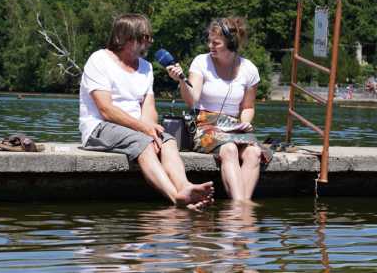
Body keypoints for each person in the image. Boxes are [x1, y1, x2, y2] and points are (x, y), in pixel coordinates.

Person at [79, 13, 214, 210]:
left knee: (167, 140)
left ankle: (185, 186)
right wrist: (143, 130)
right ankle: (176, 196)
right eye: (144, 38)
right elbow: (106, 109)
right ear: (124, 38)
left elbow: (148, 108)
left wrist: (150, 128)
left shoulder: (146, 68)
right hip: (99, 127)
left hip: (135, 129)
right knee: (144, 143)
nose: (149, 42)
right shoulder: (99, 60)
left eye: (149, 37)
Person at [166, 17, 271, 202]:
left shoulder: (250, 69)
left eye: (216, 43)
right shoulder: (201, 62)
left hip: (233, 126)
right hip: (204, 124)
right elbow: (192, 100)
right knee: (229, 149)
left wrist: (245, 123)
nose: (210, 46)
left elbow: (247, 107)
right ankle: (241, 208)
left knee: (254, 153)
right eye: (209, 41)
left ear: (231, 43)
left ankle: (240, 208)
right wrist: (182, 80)